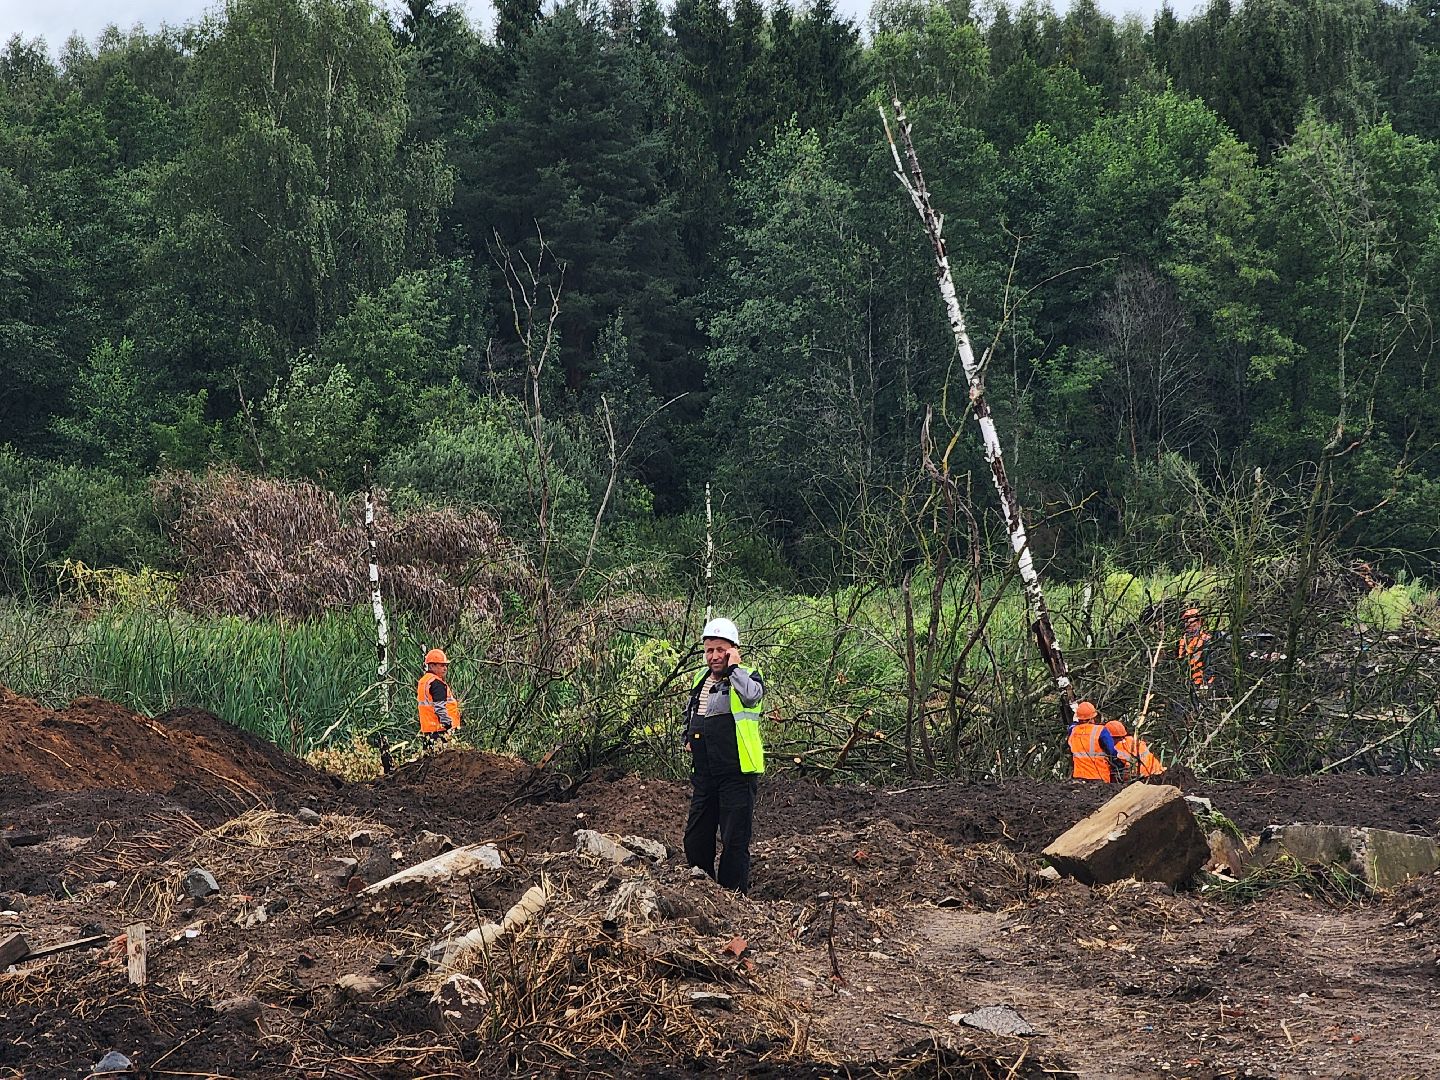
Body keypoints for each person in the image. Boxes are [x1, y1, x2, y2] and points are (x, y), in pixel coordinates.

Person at [683, 617, 766, 893]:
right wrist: (688, 737)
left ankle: (733, 898)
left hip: (737, 772)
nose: (714, 656)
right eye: (709, 650)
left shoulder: (748, 677)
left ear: (733, 650)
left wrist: (734, 669)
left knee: (734, 841)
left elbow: (751, 697)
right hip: (705, 774)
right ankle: (703, 890)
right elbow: (692, 711)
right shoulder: (700, 679)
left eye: (721, 649)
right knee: (695, 838)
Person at [416, 648, 461, 743]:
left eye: (445, 665)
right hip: (440, 730)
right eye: (442, 665)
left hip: (428, 730)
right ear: (432, 666)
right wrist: (448, 724)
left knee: (429, 752)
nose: (445, 668)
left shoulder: (424, 681)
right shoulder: (436, 683)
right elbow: (440, 707)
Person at [1068, 700, 1120, 782]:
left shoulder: (1073, 731)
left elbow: (1072, 726)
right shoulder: (1100, 731)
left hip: (1079, 777)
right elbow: (1111, 751)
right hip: (1099, 776)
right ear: (1092, 718)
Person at [1178, 607, 1213, 690]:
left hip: (1201, 683)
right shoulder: (1182, 640)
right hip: (1186, 683)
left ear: (1199, 623)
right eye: (1186, 621)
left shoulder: (1205, 639)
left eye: (1191, 622)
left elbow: (1210, 663)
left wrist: (1206, 682)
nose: (1188, 624)